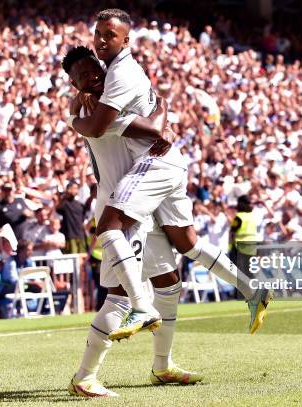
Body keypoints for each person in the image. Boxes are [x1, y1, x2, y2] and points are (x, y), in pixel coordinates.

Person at [67, 10, 271, 342]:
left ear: (125, 39)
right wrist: (161, 113)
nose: (102, 41)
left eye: (109, 35)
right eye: (98, 34)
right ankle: (251, 290)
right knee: (187, 243)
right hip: (159, 165)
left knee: (109, 225)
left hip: (153, 166)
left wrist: (161, 118)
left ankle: (140, 307)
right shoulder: (103, 86)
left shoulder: (115, 80)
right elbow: (146, 116)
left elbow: (125, 126)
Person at [62, 44, 203, 397]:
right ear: (75, 85)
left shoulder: (110, 95)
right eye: (82, 77)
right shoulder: (97, 114)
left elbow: (153, 107)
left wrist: (163, 112)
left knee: (170, 282)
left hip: (140, 206)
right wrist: (74, 114)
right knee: (118, 297)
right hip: (119, 208)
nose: (92, 77)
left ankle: (163, 364)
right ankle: (85, 377)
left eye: (93, 70)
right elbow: (147, 128)